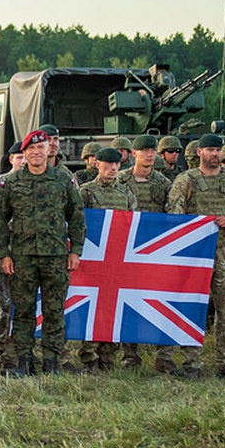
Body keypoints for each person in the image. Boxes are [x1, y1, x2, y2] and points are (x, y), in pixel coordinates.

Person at [0, 130, 85, 376]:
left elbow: (76, 217)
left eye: (41, 147)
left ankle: (52, 362)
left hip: (56, 258)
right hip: (22, 258)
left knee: (54, 311)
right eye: (30, 149)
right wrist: (4, 253)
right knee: (23, 311)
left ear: (49, 150)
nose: (36, 152)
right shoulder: (11, 183)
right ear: (23, 153)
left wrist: (75, 250)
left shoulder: (63, 181)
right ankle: (24, 361)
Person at [167, 133, 225, 379]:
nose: (215, 154)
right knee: (192, 310)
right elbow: (175, 214)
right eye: (210, 149)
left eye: (218, 150)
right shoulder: (186, 180)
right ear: (199, 152)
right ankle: (192, 363)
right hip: (195, 255)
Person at [75, 147, 137, 371]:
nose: (113, 168)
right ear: (96, 164)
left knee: (112, 306)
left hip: (117, 259)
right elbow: (78, 222)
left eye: (117, 164)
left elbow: (133, 224)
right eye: (108, 164)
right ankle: (88, 354)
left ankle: (108, 356)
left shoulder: (125, 194)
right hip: (93, 259)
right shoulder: (86, 192)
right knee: (93, 307)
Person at [118, 134, 173, 370]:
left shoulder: (164, 183)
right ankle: (130, 356)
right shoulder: (120, 180)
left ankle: (164, 357)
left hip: (156, 252)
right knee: (129, 304)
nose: (150, 154)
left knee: (161, 303)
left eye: (153, 151)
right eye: (145, 150)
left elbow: (173, 215)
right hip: (127, 252)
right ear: (134, 154)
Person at [0, 142, 25, 370]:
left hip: (27, 252)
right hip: (5, 249)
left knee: (24, 302)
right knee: (4, 301)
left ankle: (21, 349)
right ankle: (2, 346)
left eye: (26, 156)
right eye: (19, 157)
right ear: (11, 159)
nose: (23, 161)